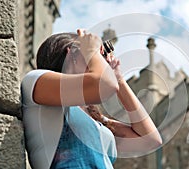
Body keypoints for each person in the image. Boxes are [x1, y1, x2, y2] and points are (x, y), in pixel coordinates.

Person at [21, 29, 162, 169]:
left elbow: (150, 139)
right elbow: (104, 85)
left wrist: (118, 79)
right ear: (71, 52)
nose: (98, 60)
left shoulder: (96, 122)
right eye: (90, 54)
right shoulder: (35, 81)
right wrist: (92, 50)